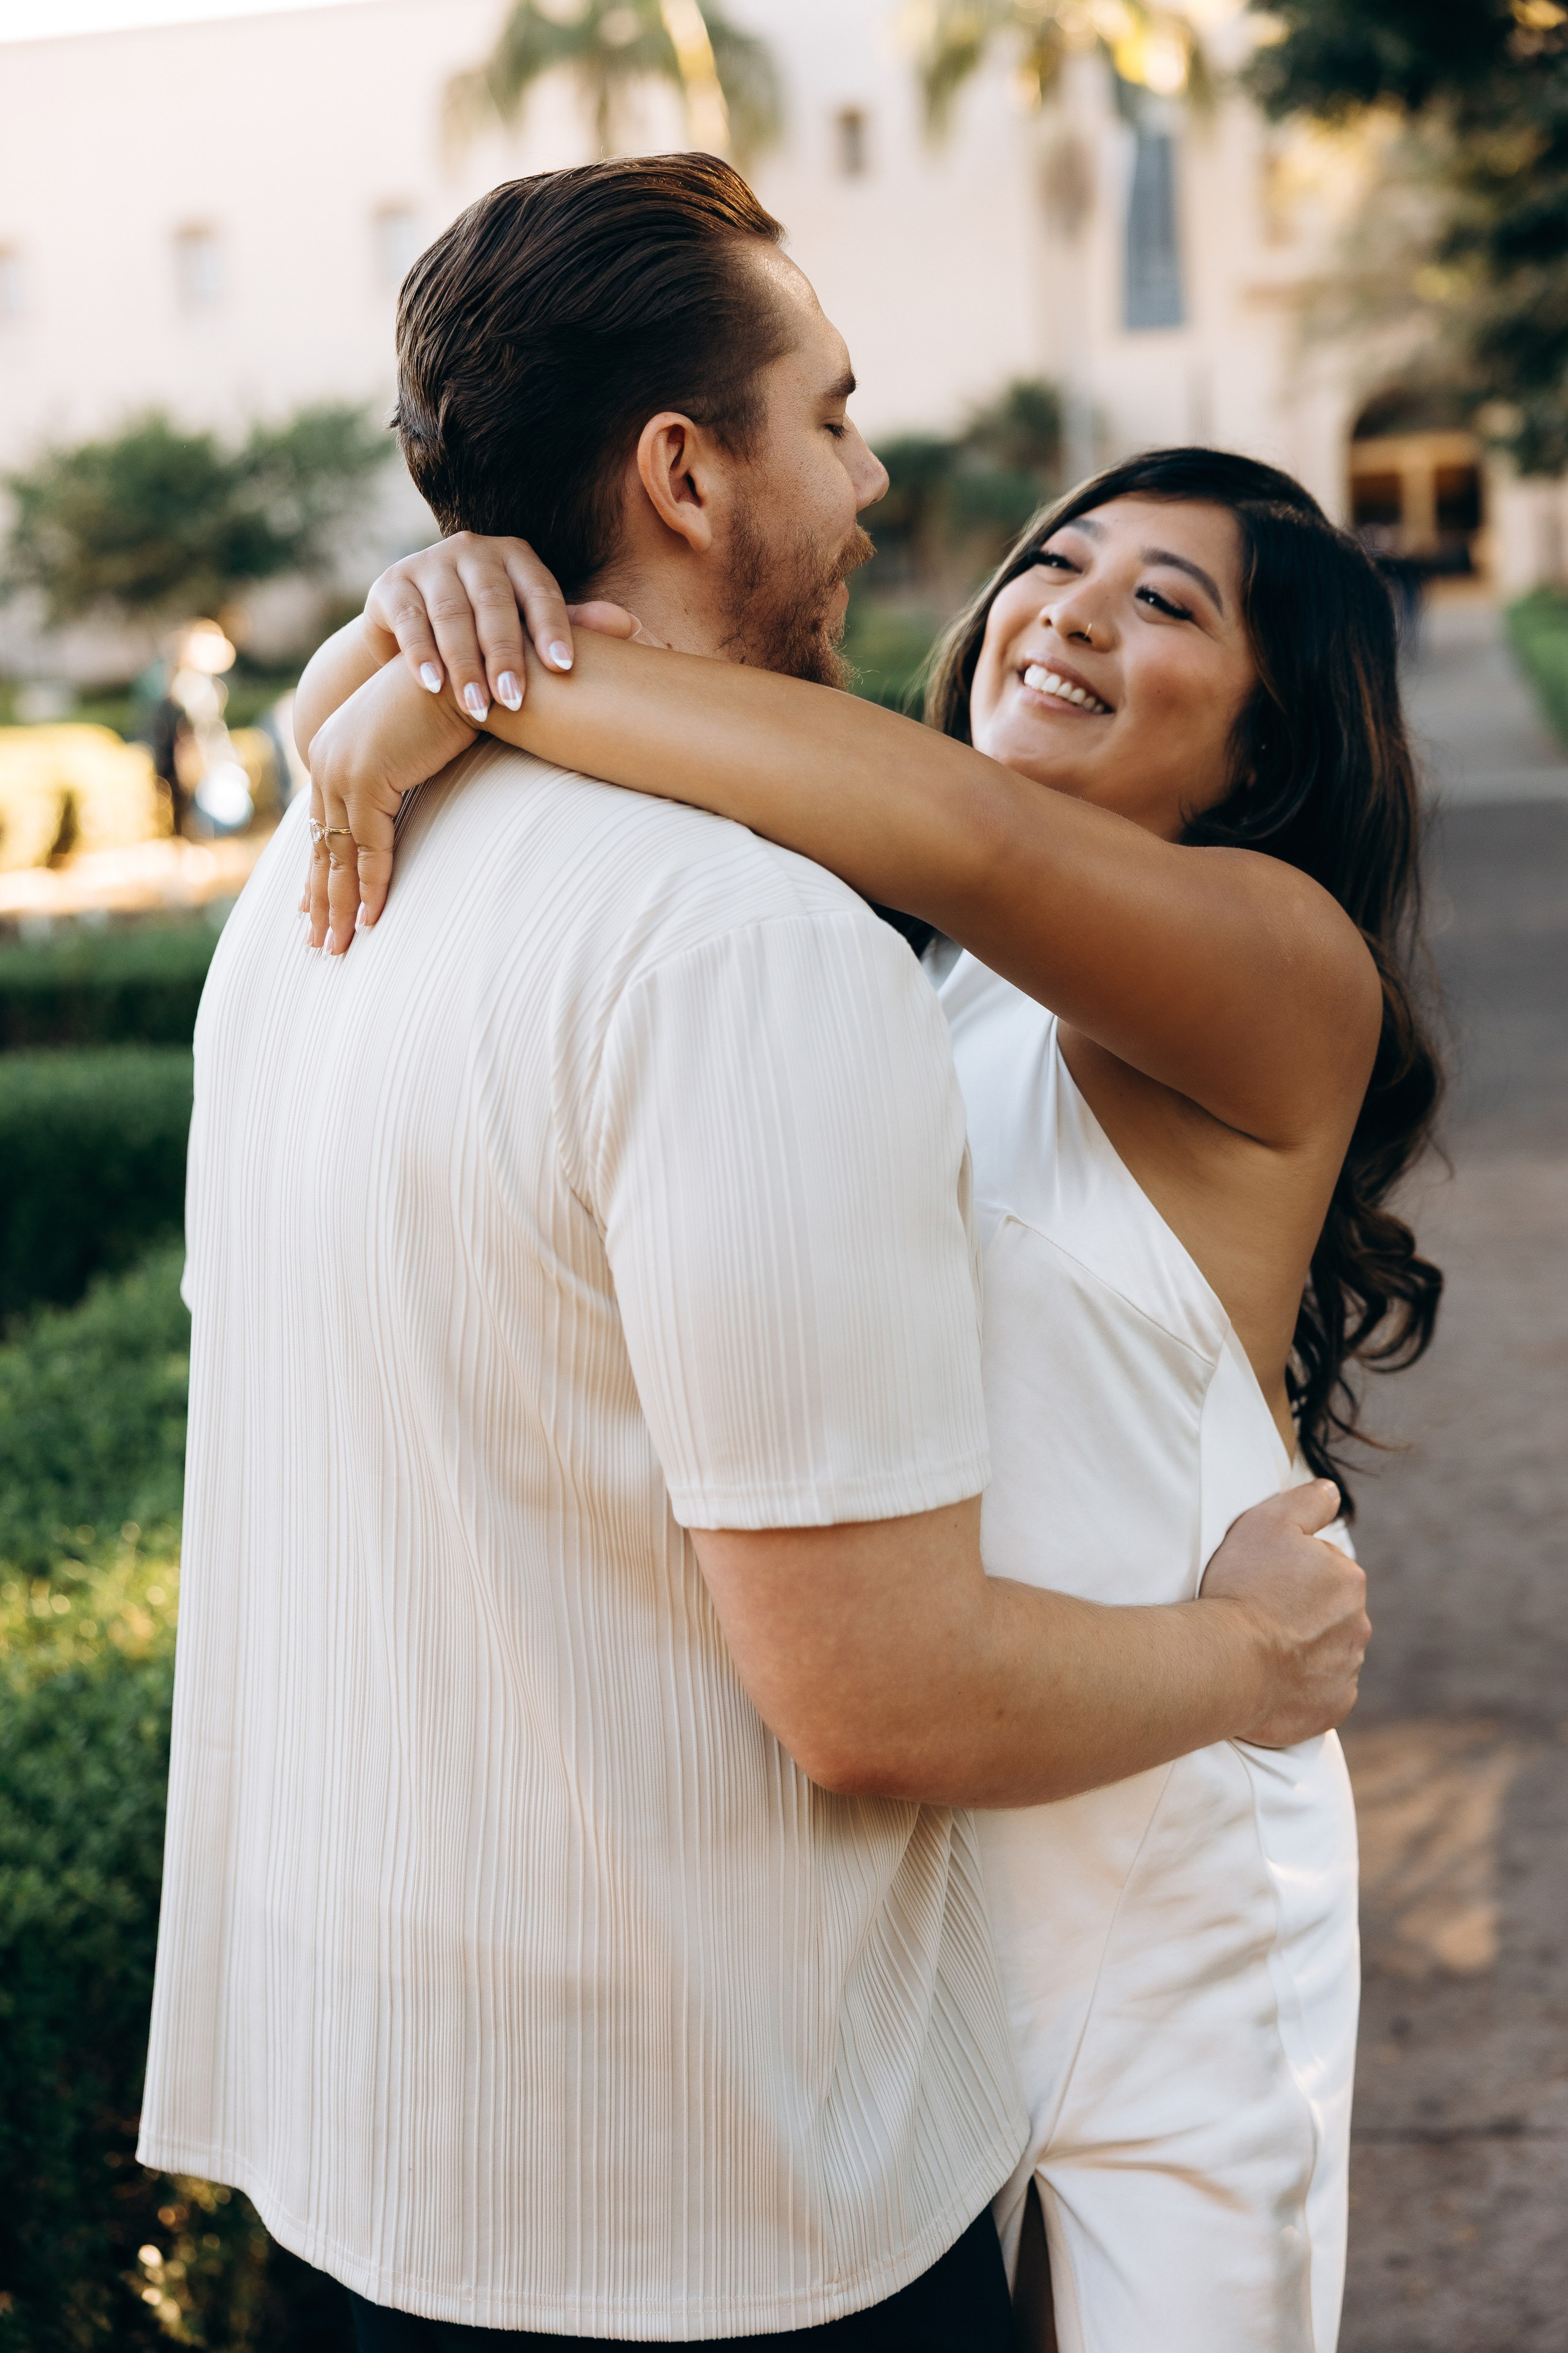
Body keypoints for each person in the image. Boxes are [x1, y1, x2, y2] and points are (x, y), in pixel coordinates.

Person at [139, 157, 1370, 2352]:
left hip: (1156, 1861)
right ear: (690, 470)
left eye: (1170, 604)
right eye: (1057, 560)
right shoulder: (845, 934)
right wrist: (418, 634)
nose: (1059, 604)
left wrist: (443, 665)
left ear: (1271, 733)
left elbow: (951, 818)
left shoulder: (1270, 961)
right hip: (918, 1896)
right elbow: (878, 810)